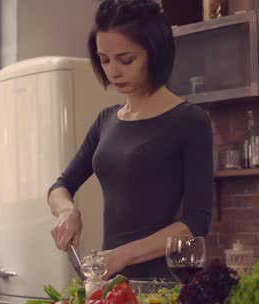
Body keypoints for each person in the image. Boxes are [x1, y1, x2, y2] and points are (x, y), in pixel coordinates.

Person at [47, 0, 212, 279]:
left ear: (155, 52)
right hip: (109, 282)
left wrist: (121, 255)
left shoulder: (191, 121)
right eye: (104, 59)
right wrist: (67, 212)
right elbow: (60, 186)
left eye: (126, 60)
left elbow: (196, 223)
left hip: (162, 287)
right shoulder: (106, 120)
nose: (113, 71)